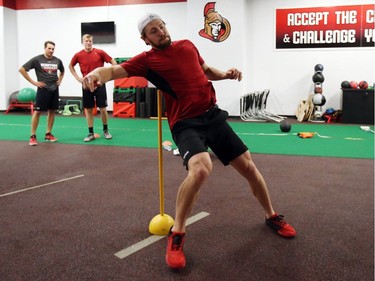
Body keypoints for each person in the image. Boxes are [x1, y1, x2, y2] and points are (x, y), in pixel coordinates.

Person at [82, 13, 296, 270]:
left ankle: (271, 216)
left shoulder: (187, 45)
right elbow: (114, 70)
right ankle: (177, 234)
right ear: (145, 38)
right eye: (153, 31)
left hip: (212, 116)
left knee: (249, 167)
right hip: (185, 123)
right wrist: (96, 73)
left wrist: (226, 74)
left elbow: (205, 71)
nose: (160, 31)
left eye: (161, 26)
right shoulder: (147, 60)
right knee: (201, 168)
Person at [69, 34, 117, 142]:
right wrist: (78, 78)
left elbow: (113, 62)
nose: (88, 43)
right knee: (89, 110)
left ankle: (106, 130)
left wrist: (106, 76)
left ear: (92, 42)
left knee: (103, 109)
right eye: (86, 41)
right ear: (83, 42)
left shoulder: (100, 52)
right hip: (86, 85)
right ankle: (90, 133)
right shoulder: (78, 55)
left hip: (99, 84)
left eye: (90, 41)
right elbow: (70, 66)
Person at [19, 41, 65, 146]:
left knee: (52, 111)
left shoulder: (57, 60)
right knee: (37, 112)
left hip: (54, 89)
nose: (51, 50)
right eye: (49, 48)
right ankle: (33, 136)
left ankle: (48, 134)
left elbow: (62, 71)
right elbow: (22, 69)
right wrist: (34, 82)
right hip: (43, 89)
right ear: (45, 48)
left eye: (53, 49)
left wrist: (60, 80)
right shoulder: (37, 59)